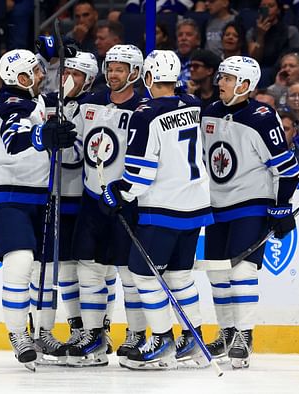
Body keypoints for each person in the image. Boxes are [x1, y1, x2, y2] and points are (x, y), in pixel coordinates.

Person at [100, 50, 213, 369]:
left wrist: (116, 192)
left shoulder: (145, 114)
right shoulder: (192, 104)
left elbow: (140, 174)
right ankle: (194, 338)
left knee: (143, 274)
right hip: (196, 205)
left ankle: (162, 339)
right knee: (179, 275)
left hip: (164, 208)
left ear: (148, 78)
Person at [201, 56, 299, 369]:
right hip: (215, 204)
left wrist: (282, 204)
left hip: (251, 204)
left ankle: (244, 335)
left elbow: (289, 170)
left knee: (242, 271)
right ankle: (227, 331)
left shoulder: (261, 116)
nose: (221, 82)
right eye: (222, 77)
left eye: (228, 79)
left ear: (245, 84)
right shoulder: (210, 112)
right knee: (217, 272)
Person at [0, 48, 76, 370]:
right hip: (8, 195)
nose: (41, 76)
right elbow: (14, 138)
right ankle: (18, 333)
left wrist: (50, 54)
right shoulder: (10, 102)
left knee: (46, 269)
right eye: (35, 71)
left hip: (41, 195)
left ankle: (44, 332)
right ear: (19, 78)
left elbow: (54, 99)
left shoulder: (32, 99)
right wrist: (43, 134)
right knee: (21, 260)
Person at [67, 44, 147, 368]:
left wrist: (125, 190)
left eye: (120, 68)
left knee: (129, 274)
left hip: (127, 201)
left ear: (135, 73)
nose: (113, 73)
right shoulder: (91, 103)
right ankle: (94, 336)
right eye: (110, 67)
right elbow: (77, 150)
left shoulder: (144, 108)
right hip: (92, 197)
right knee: (88, 269)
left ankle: (138, 334)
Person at [30, 51, 98, 365]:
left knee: (75, 270)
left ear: (89, 80)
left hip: (78, 198)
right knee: (44, 270)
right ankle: (45, 329)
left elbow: (77, 156)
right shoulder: (45, 103)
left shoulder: (90, 108)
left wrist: (60, 139)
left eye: (77, 73)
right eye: (65, 70)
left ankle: (88, 329)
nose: (68, 77)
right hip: (48, 197)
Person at [246, 0, 299, 68]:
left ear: (278, 10)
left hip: (284, 69)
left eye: (271, 6)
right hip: (260, 70)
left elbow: (297, 58)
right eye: (263, 6)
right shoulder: (251, 32)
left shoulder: (291, 31)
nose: (267, 9)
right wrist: (260, 36)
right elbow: (254, 61)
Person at [175, 19, 202, 92]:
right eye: (180, 35)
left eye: (189, 35)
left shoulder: (203, 62)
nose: (183, 38)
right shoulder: (168, 59)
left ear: (198, 40)